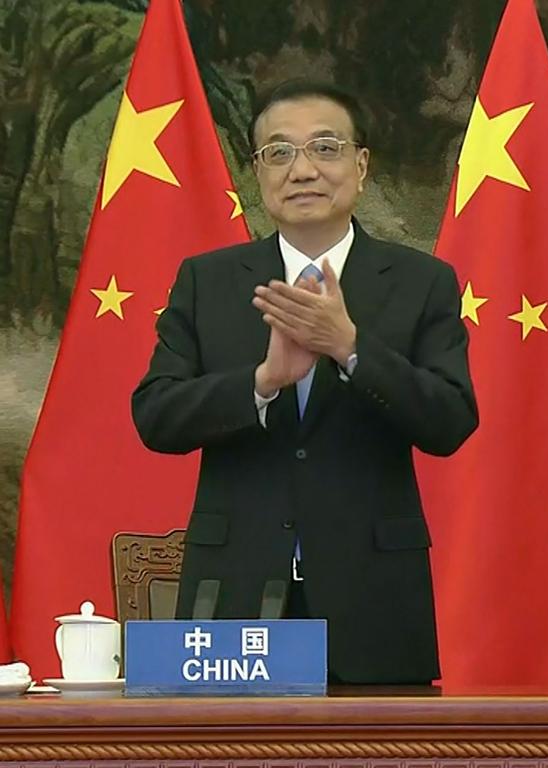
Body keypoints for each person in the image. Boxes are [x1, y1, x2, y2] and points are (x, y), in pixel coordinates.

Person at [132, 79, 478, 684]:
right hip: (233, 598)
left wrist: (349, 348)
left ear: (361, 165)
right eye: (280, 152)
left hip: (373, 599)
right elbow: (155, 416)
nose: (303, 170)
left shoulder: (423, 281)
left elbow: (450, 421)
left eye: (325, 148)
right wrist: (263, 382)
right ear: (258, 173)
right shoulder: (207, 281)